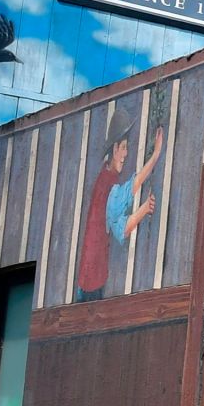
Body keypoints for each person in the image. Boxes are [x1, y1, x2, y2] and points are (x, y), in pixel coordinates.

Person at [73, 125, 163, 302]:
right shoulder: (107, 186)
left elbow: (130, 188)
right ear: (114, 149)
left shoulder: (105, 177)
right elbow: (122, 228)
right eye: (123, 148)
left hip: (89, 280)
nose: (126, 154)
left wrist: (154, 157)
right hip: (92, 285)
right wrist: (144, 209)